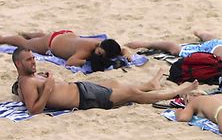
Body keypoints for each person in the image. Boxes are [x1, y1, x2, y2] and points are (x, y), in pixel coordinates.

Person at [11, 47, 198, 114]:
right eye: (29, 60)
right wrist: (48, 88)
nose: (34, 62)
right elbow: (34, 110)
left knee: (117, 84)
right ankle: (175, 92)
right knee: (132, 94)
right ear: (18, 64)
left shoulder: (30, 78)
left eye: (34, 58)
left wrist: (48, 80)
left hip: (82, 88)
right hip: (85, 98)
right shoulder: (26, 82)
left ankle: (151, 85)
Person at [0, 30, 130, 71]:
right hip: (51, 43)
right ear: (98, 47)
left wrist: (127, 55)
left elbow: (122, 50)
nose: (99, 56)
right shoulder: (85, 50)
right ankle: (3, 38)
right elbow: (70, 62)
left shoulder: (106, 46)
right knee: (25, 43)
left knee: (38, 39)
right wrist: (85, 61)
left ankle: (33, 34)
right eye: (99, 54)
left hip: (65, 35)